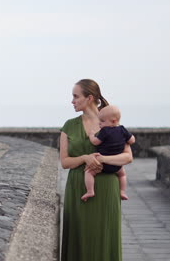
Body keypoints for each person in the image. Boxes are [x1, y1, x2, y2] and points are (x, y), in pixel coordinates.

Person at [60, 79, 133, 261]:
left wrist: (101, 159)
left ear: (89, 98)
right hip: (78, 187)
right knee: (80, 236)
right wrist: (85, 158)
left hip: (108, 187)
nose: (72, 101)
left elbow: (128, 157)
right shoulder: (69, 126)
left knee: (104, 235)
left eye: (76, 96)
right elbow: (64, 162)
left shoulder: (111, 123)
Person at [81, 105, 136, 202]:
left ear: (113, 121)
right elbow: (132, 140)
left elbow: (95, 142)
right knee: (122, 175)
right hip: (117, 165)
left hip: (103, 165)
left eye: (102, 121)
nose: (99, 124)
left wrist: (91, 135)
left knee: (89, 172)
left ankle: (90, 190)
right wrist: (126, 140)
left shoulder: (105, 131)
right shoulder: (122, 129)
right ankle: (122, 191)